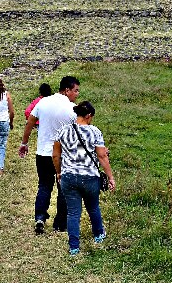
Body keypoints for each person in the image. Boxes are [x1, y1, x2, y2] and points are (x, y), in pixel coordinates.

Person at [53, 101, 115, 256]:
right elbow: (101, 156)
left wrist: (59, 172)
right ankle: (98, 235)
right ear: (88, 116)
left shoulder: (63, 130)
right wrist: (110, 177)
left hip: (68, 176)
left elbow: (56, 155)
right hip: (89, 177)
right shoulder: (94, 132)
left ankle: (74, 246)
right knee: (93, 207)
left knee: (73, 213)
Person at [19, 76, 80, 234]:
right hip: (63, 155)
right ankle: (60, 223)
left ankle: (39, 217)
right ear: (66, 90)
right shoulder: (73, 109)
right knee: (63, 188)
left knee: (44, 185)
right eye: (75, 90)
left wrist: (24, 143)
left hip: (43, 153)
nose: (77, 94)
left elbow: (30, 123)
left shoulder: (43, 102)